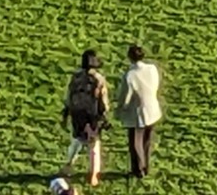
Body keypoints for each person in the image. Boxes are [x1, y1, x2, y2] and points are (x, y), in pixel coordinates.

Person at [61, 49, 110, 187]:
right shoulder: (98, 79)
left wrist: (66, 112)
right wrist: (104, 115)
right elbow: (103, 100)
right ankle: (94, 174)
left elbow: (69, 96)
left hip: (77, 114)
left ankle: (68, 165)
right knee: (94, 145)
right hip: (92, 115)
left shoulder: (75, 77)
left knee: (76, 140)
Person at [115, 45, 162, 180]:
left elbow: (125, 97)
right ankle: (146, 166)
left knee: (136, 142)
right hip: (152, 109)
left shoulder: (130, 76)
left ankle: (138, 169)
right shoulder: (152, 69)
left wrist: (120, 111)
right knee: (146, 140)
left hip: (137, 113)